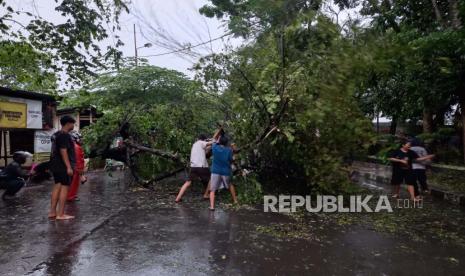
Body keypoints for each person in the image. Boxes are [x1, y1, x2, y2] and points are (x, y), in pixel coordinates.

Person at [48, 115, 76, 220]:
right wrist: (68, 167)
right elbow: (63, 151)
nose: (74, 125)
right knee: (64, 188)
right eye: (73, 123)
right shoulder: (64, 135)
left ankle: (52, 212)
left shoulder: (56, 135)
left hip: (55, 165)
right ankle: (61, 214)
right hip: (63, 166)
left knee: (57, 187)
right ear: (68, 123)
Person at [175, 134, 214, 203]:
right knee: (211, 179)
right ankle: (206, 194)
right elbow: (210, 143)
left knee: (188, 182)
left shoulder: (195, 145)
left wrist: (210, 145)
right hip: (201, 166)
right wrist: (215, 140)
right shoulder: (201, 142)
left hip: (193, 166)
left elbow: (206, 150)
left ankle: (178, 198)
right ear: (204, 140)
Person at [209, 135, 238, 211]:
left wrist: (218, 139)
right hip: (225, 171)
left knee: (212, 189)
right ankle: (235, 201)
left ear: (219, 141)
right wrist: (233, 150)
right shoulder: (228, 150)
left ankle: (212, 207)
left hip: (215, 171)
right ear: (226, 143)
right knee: (230, 185)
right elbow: (232, 160)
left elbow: (214, 140)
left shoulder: (214, 147)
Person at [67, 131, 87, 201]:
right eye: (80, 138)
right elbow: (79, 159)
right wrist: (80, 171)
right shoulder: (76, 147)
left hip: (72, 167)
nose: (81, 140)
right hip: (75, 168)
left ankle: (70, 196)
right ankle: (70, 196)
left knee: (70, 183)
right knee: (74, 183)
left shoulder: (71, 146)